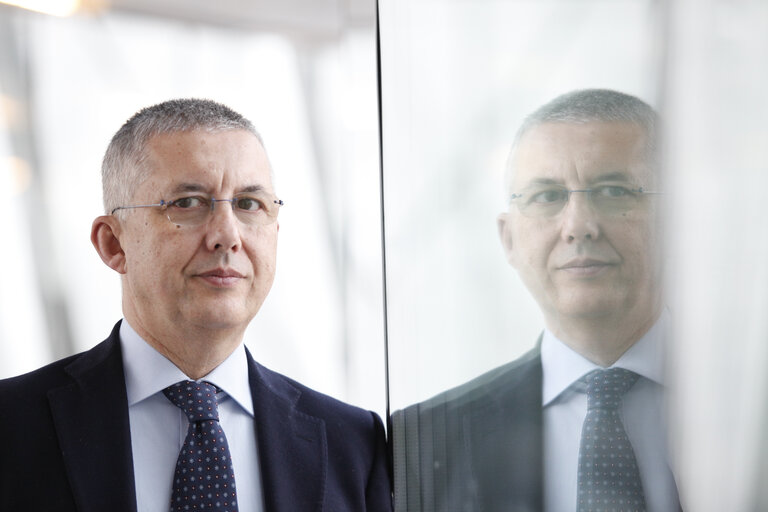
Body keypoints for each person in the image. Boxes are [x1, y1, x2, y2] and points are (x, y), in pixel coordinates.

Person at [0, 98, 392, 512]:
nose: (227, 236)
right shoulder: (12, 427)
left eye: (248, 204)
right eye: (187, 203)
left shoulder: (354, 444)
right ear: (114, 244)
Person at [392, 89, 680, 511]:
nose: (579, 226)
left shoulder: (746, 412)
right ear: (508, 239)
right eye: (547, 196)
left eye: (614, 190)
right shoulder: (422, 442)